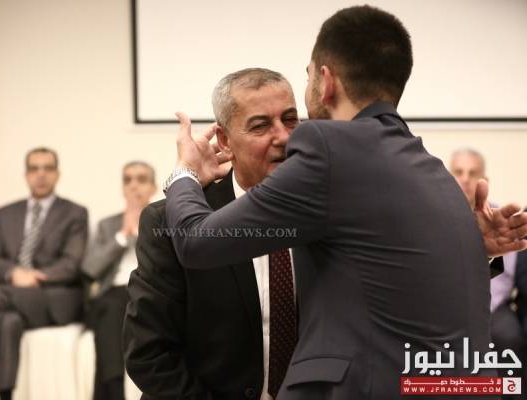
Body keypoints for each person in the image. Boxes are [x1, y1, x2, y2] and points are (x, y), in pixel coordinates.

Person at [163, 5, 527, 399]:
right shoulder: (429, 166)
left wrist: (184, 172)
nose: (283, 137)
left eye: (307, 77)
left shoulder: (327, 148)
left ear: (325, 81)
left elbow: (195, 241)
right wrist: (471, 248)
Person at [125, 68, 299, 399]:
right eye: (260, 125)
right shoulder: (170, 222)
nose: (284, 137)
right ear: (224, 141)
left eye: (290, 120)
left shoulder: (326, 211)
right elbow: (150, 355)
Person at [0, 147, 88, 400]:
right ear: (26, 175)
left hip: (54, 298)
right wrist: (14, 274)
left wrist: (33, 276)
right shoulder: (5, 213)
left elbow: (71, 264)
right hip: (15, 295)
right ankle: (6, 395)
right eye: (34, 169)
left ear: (57, 174)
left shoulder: (75, 213)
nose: (41, 174)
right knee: (8, 322)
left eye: (48, 168)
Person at [449, 148, 524, 390]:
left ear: (485, 181)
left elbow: (510, 278)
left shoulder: (501, 218)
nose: (465, 179)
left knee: (508, 336)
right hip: (446, 307)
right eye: (458, 172)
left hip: (493, 306)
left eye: (473, 173)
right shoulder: (432, 217)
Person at [82, 161, 156, 400]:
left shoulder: (164, 219)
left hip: (150, 290)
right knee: (111, 306)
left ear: (153, 187)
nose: (134, 185)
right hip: (113, 294)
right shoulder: (107, 225)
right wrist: (123, 235)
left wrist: (142, 228)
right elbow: (90, 269)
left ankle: (110, 392)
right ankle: (115, 389)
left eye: (141, 179)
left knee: (120, 307)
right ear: (122, 188)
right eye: (128, 180)